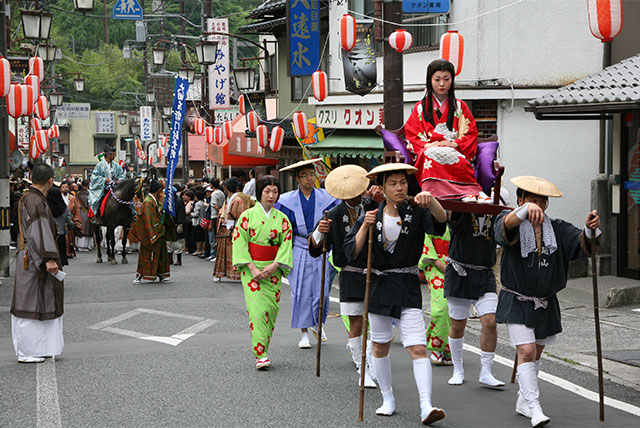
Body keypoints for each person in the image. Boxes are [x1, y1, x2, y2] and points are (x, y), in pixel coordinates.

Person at [344, 163, 447, 425]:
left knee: (416, 346)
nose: (400, 187)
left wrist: (431, 200)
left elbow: (441, 223)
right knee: (379, 345)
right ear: (383, 187)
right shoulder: (370, 212)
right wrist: (365, 227)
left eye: (403, 182)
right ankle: (387, 398)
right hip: (378, 285)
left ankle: (426, 405)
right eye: (393, 183)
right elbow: (353, 251)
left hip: (407, 285)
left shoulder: (416, 210)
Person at [495, 176, 600, 427]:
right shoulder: (509, 221)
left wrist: (590, 229)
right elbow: (504, 227)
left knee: (536, 352)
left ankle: (523, 399)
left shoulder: (558, 228)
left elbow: (582, 244)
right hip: (516, 299)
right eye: (532, 200)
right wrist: (522, 211)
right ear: (519, 199)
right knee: (527, 350)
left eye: (542, 201)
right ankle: (534, 406)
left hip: (545, 301)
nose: (538, 206)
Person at [309, 164, 379, 387]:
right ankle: (362, 367)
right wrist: (320, 232)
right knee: (356, 322)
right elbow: (316, 249)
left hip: (377, 272)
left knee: (376, 322)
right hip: (350, 274)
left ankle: (373, 362)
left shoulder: (375, 207)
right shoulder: (333, 215)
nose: (356, 195)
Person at [274, 158, 338, 349]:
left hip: (321, 247)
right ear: (297, 179)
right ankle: (303, 332)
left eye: (312, 174)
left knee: (322, 289)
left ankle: (319, 324)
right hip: (299, 246)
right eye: (304, 176)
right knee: (300, 291)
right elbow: (283, 226)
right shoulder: (286, 200)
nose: (309, 179)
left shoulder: (327, 197)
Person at [232, 176, 293, 370]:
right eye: (267, 191)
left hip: (272, 270)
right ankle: (261, 354)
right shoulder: (247, 216)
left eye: (275, 191)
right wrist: (252, 267)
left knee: (271, 311)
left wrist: (275, 265)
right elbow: (240, 241)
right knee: (258, 312)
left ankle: (264, 345)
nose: (271, 195)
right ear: (260, 192)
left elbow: (286, 244)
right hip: (252, 271)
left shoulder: (282, 219)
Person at [404, 59, 482, 199]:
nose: (441, 84)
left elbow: (470, 132)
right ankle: (432, 192)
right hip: (429, 149)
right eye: (437, 79)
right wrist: (428, 144)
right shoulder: (420, 108)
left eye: (446, 79)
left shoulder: (460, 107)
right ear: (430, 80)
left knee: (456, 156)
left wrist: (455, 143)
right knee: (429, 153)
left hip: (453, 149)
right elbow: (413, 134)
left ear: (452, 80)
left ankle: (466, 191)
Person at [11, 163, 64, 363]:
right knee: (30, 301)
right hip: (34, 259)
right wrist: (49, 258)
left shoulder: (29, 197)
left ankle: (39, 348)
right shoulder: (35, 201)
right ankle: (27, 351)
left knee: (35, 300)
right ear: (50, 180)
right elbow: (39, 231)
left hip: (30, 256)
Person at [418, 227, 453, 366]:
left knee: (454, 309)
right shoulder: (431, 222)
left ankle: (448, 349)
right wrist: (440, 264)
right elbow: (427, 246)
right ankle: (437, 346)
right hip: (435, 265)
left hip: (454, 265)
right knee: (441, 308)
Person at [132, 180, 171, 284]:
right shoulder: (148, 201)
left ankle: (162, 275)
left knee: (160, 254)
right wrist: (153, 233)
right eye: (161, 191)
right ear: (158, 191)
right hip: (152, 231)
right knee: (147, 254)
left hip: (158, 230)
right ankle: (140, 276)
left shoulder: (154, 200)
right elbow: (149, 219)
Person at [213, 178, 248, 282]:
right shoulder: (230, 199)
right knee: (223, 252)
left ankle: (236, 274)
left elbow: (241, 216)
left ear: (226, 188)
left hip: (233, 227)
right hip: (225, 227)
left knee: (234, 252)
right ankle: (220, 273)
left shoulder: (238, 200)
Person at [89, 145, 127, 220]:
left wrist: (120, 180)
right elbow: (94, 177)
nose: (114, 156)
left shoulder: (116, 166)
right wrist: (104, 180)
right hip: (103, 188)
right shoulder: (99, 165)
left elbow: (122, 175)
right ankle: (96, 215)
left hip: (115, 187)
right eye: (113, 154)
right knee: (98, 199)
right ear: (108, 155)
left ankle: (131, 214)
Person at [47, 186, 75, 267]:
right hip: (61, 234)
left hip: (49, 235)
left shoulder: (46, 208)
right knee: (60, 260)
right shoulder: (64, 208)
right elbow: (70, 221)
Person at [60, 181, 82, 258]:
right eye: (63, 187)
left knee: (70, 238)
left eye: (66, 187)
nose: (65, 188)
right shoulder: (58, 197)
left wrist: (76, 220)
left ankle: (69, 252)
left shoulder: (72, 198)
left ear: (68, 188)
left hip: (70, 219)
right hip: (60, 220)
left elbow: (77, 209)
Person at [167, 185, 187, 266]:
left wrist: (180, 224)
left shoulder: (178, 201)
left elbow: (181, 214)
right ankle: (170, 259)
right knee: (168, 243)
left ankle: (179, 260)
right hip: (169, 225)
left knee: (178, 243)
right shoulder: (167, 201)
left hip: (176, 224)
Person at [208, 179, 226, 262]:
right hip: (221, 215)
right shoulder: (222, 193)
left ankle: (215, 254)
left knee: (215, 235)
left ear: (212, 185)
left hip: (215, 216)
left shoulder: (214, 194)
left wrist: (219, 211)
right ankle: (217, 254)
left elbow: (215, 205)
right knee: (218, 235)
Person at [75, 180, 94, 251]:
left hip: (78, 211)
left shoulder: (78, 193)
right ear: (88, 185)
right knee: (87, 228)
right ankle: (87, 245)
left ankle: (78, 244)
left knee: (80, 227)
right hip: (87, 211)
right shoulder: (89, 193)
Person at [190, 189, 207, 257]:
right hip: (203, 221)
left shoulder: (197, 204)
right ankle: (203, 250)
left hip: (197, 222)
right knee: (203, 237)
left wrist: (191, 214)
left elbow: (196, 214)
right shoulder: (204, 203)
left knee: (198, 238)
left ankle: (198, 250)